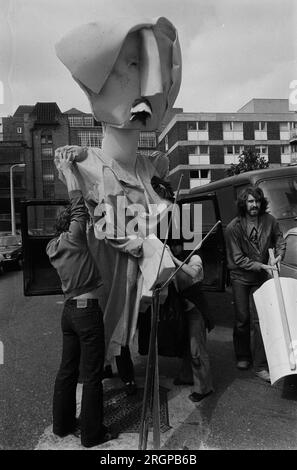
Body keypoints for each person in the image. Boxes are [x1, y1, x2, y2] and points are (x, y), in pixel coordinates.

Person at [54, 17, 182, 363]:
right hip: (102, 297)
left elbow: (169, 225)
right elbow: (108, 227)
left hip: (136, 296)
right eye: (133, 64)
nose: (152, 86)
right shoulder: (87, 165)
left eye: (154, 66)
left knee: (114, 349)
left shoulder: (151, 168)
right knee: (93, 360)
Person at [46, 152, 117, 448]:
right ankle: (92, 434)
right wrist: (67, 170)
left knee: (66, 371)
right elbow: (78, 205)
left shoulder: (52, 247)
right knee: (91, 376)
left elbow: (77, 213)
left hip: (69, 314)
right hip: (87, 313)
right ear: (73, 226)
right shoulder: (76, 237)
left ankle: (62, 426)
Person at [225, 186, 286, 382]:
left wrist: (278, 256)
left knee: (261, 321)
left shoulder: (270, 220)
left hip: (260, 277)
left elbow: (280, 239)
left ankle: (261, 365)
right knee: (242, 319)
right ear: (244, 203)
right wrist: (262, 265)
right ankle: (243, 355)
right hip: (240, 277)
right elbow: (237, 259)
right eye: (250, 201)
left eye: (257, 201)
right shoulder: (233, 227)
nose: (254, 205)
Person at [169, 242, 214, 403]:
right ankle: (186, 375)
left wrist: (174, 259)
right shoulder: (172, 259)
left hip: (196, 310)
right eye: (172, 246)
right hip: (182, 309)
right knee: (185, 346)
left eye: (178, 245)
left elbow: (193, 273)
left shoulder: (194, 257)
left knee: (197, 349)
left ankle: (203, 388)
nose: (175, 248)